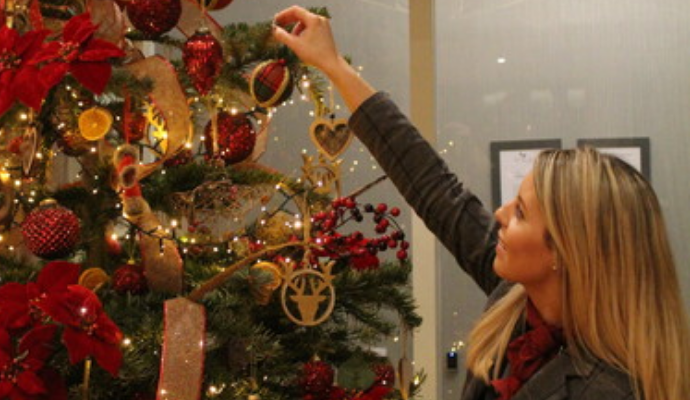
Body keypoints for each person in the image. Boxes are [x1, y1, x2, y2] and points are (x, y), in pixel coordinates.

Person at [272, 6, 690, 400]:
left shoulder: (608, 388)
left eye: (522, 212)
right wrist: (334, 66)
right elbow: (434, 186)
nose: (502, 215)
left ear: (566, 251)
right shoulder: (517, 301)